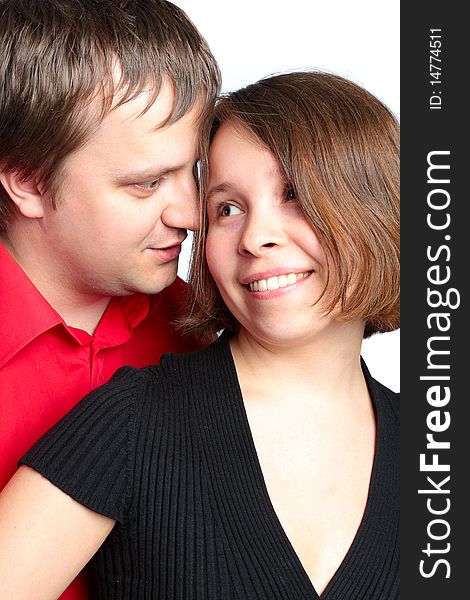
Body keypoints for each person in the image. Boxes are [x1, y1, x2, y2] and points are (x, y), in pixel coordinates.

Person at [0, 71, 399, 599]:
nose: (256, 237)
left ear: (375, 209)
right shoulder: (129, 420)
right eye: (227, 209)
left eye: (295, 195)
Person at [0, 0, 220, 598]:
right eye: (146, 183)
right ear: (29, 182)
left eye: (193, 171)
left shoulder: (203, 328)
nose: (193, 214)